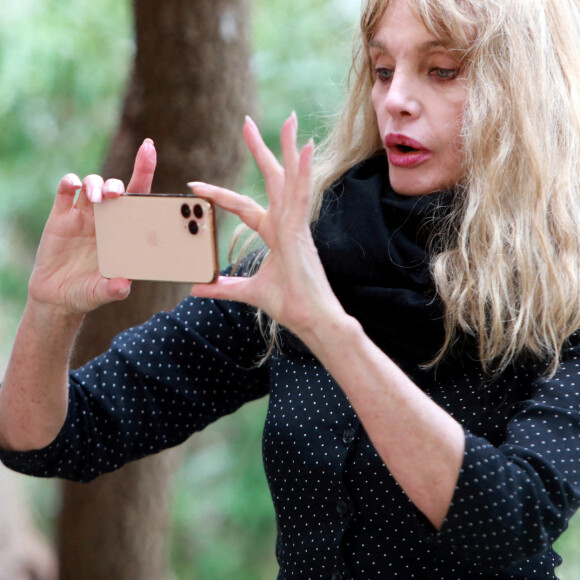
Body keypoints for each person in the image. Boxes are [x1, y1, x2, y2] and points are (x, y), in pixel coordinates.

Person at [0, 0, 580, 577]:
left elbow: (513, 518)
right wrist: (52, 308)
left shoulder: (564, 292)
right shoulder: (313, 253)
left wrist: (329, 331)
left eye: (442, 70)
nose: (396, 100)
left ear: (521, 91)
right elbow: (52, 437)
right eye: (382, 70)